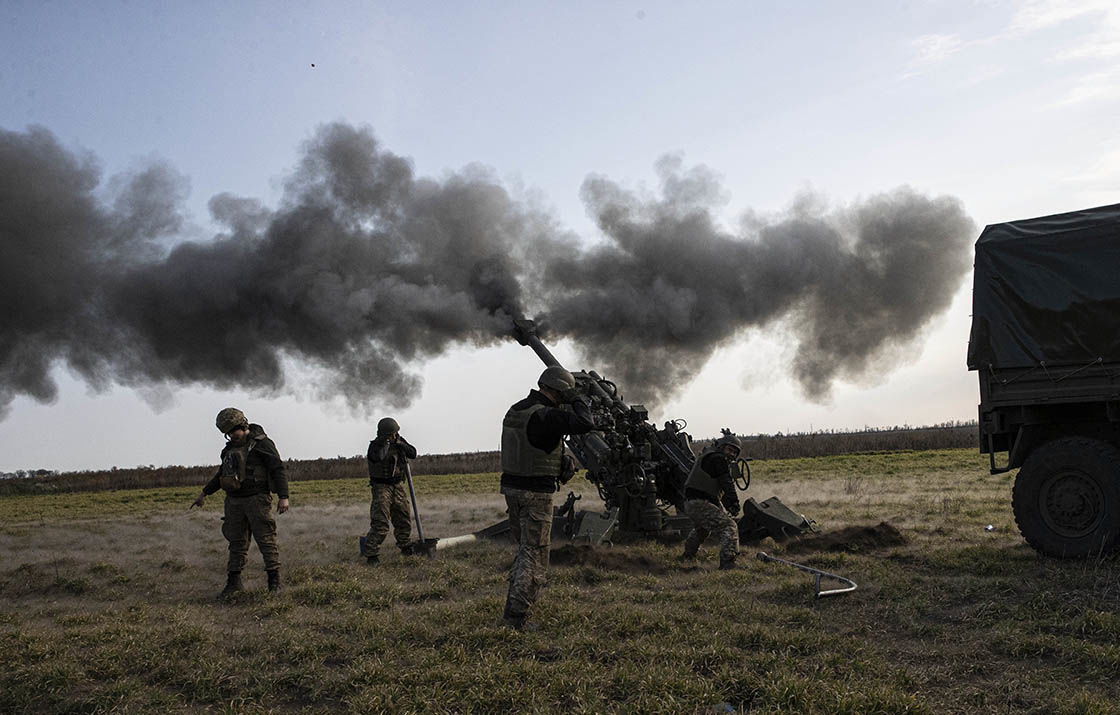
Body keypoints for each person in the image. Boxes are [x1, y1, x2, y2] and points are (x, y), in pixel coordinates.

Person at [499, 365, 595, 631]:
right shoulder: (547, 415)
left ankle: (512, 609)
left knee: (524, 550)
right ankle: (516, 618)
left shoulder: (517, 409)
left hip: (512, 489)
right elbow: (586, 423)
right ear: (560, 390)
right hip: (536, 493)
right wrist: (576, 398)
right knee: (535, 554)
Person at [191, 407, 290, 596]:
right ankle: (233, 583)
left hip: (258, 500)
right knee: (236, 542)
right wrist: (204, 493)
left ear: (243, 425)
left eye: (232, 431)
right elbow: (222, 474)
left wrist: (283, 497)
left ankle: (274, 582)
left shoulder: (263, 444)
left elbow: (278, 469)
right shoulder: (228, 450)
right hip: (234, 502)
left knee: (266, 540)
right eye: (227, 434)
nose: (230, 436)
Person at [680, 432, 743, 569]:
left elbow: (717, 487)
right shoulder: (718, 459)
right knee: (729, 526)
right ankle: (728, 563)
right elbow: (726, 482)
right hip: (699, 502)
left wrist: (729, 504)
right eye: (729, 450)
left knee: (702, 529)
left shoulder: (711, 456)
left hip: (692, 502)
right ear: (721, 447)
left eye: (734, 452)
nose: (731, 454)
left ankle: (688, 555)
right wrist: (734, 502)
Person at [363, 417, 418, 564]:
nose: (394, 436)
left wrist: (400, 444)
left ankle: (405, 545)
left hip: (397, 485)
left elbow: (413, 453)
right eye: (392, 434)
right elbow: (378, 458)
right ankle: (371, 553)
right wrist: (386, 443)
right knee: (380, 522)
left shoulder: (399, 441)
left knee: (403, 517)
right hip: (381, 487)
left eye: (395, 434)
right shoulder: (375, 446)